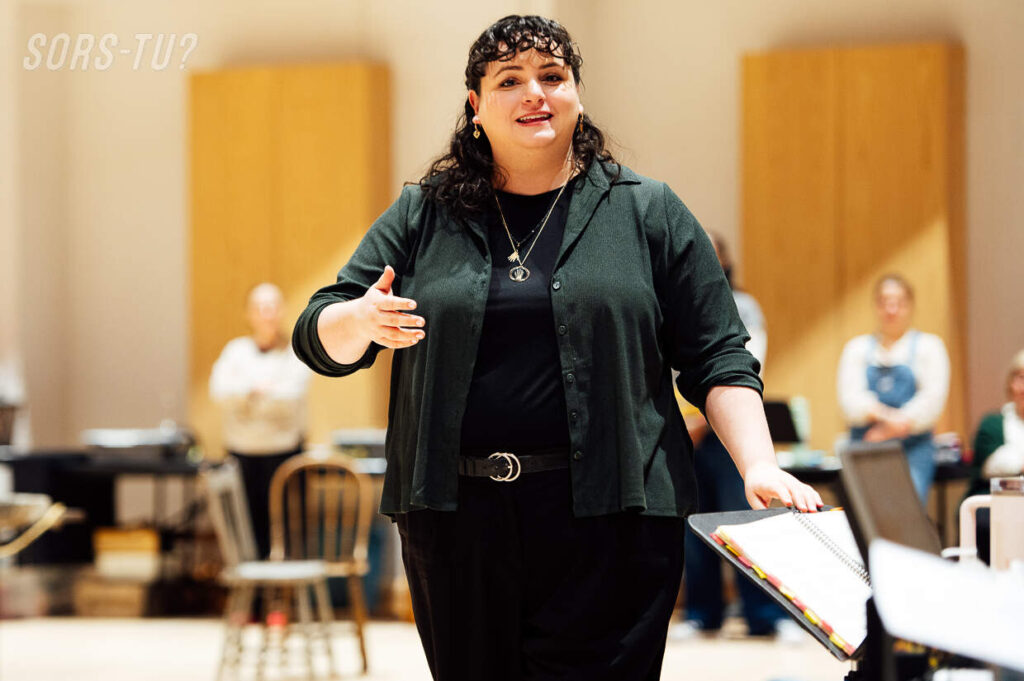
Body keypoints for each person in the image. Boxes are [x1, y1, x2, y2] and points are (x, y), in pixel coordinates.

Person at [292, 15, 821, 681]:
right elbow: (318, 331)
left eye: (552, 76)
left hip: (614, 522)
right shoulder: (424, 212)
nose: (534, 93)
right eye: (509, 80)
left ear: (576, 94)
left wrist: (759, 463)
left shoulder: (647, 210)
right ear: (476, 106)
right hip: (456, 525)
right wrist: (358, 321)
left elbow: (719, 355)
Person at [674, 233, 788, 639]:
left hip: (727, 433)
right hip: (683, 433)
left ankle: (764, 616)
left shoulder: (744, 305)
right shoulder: (668, 298)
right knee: (694, 525)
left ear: (723, 261)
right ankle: (701, 615)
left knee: (745, 522)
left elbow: (742, 366)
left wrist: (703, 422)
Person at [210, 282, 311, 559]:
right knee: (246, 534)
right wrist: (255, 392)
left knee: (287, 535)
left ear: (282, 311)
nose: (267, 313)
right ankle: (252, 587)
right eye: (260, 307)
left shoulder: (296, 351)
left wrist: (246, 399)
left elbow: (290, 398)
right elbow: (220, 391)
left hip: (285, 456)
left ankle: (285, 587)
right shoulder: (235, 351)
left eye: (273, 306)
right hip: (242, 455)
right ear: (249, 313)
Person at [837, 274, 950, 504]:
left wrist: (888, 430)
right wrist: (890, 420)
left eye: (899, 302)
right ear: (876, 306)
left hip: (913, 450)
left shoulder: (930, 346)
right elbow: (850, 403)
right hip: (864, 446)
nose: (891, 309)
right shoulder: (856, 349)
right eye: (884, 302)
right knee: (863, 513)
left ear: (910, 306)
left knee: (906, 511)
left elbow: (931, 403)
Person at [963, 349, 1024, 564]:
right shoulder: (992, 424)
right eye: (1021, 378)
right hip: (995, 501)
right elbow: (995, 465)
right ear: (1010, 384)